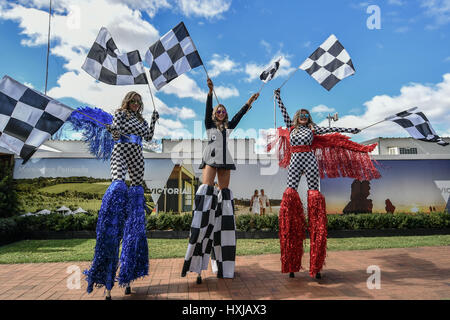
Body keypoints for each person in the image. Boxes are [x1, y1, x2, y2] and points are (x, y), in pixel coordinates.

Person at [274, 88, 361, 280]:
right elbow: (283, 112)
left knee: (314, 195)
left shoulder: (313, 129)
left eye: (306, 114)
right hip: (296, 159)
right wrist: (278, 97)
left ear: (309, 117)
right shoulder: (291, 128)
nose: (304, 116)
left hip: (310, 160)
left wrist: (351, 130)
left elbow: (333, 130)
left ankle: (316, 261)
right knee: (290, 194)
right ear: (297, 117)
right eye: (301, 114)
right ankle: (291, 258)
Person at [181, 78, 259, 283]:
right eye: (219, 110)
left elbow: (239, 116)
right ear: (215, 113)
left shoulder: (228, 127)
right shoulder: (209, 126)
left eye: (223, 110)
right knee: (206, 193)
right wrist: (210, 91)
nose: (221, 112)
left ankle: (222, 255)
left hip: (225, 161)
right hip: (210, 159)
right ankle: (199, 242)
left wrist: (249, 102)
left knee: (224, 199)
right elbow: (206, 111)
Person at [84, 92, 159, 299]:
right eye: (132, 101)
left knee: (136, 202)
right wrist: (113, 131)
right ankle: (106, 272)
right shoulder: (120, 115)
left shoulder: (141, 119)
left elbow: (149, 137)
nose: (135, 104)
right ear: (127, 102)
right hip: (120, 152)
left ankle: (129, 272)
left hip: (137, 155)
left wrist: (153, 121)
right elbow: (116, 135)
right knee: (117, 187)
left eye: (138, 101)